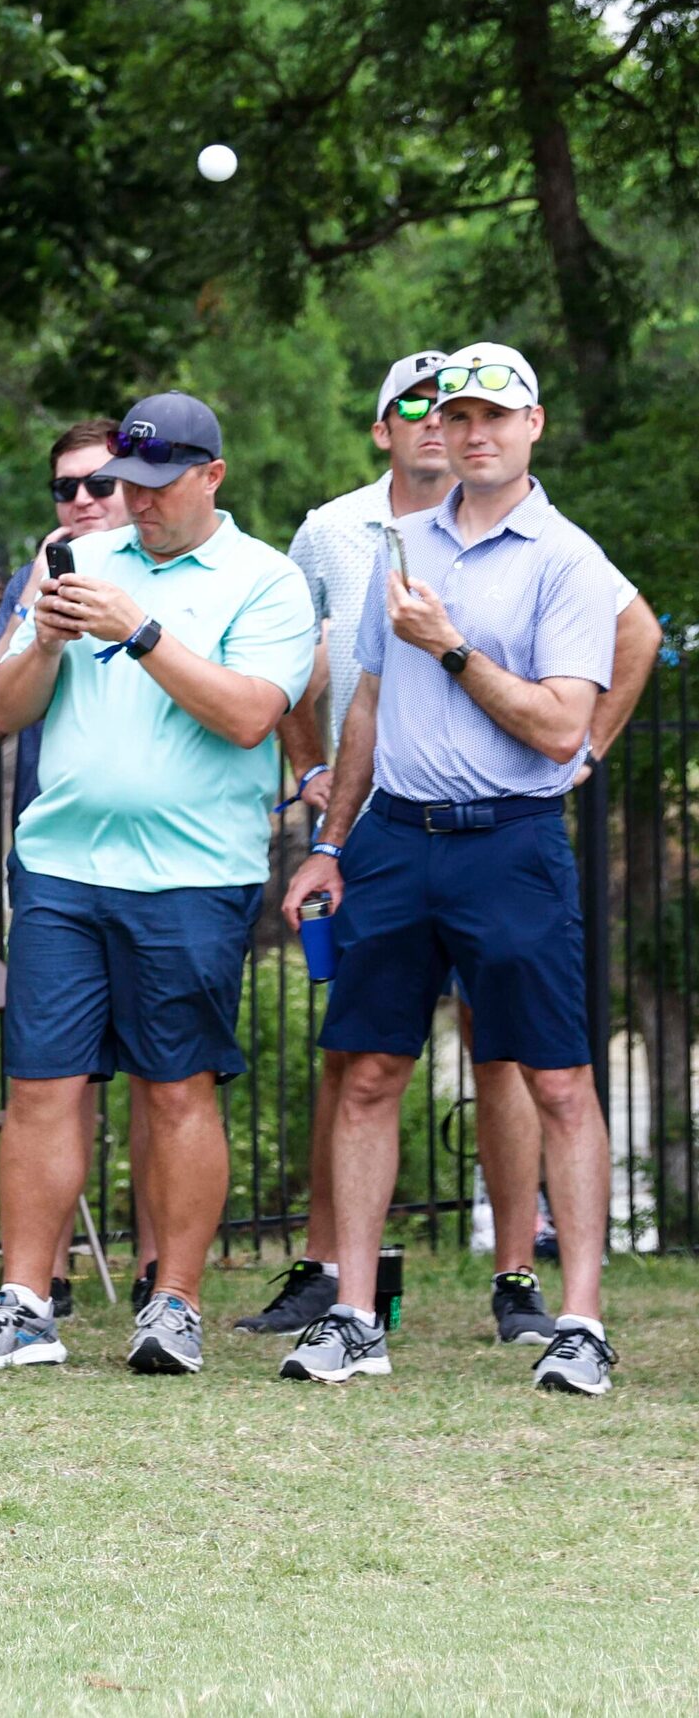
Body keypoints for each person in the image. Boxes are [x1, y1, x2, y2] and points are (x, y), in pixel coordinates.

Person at [245, 349, 660, 1343]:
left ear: (534, 427)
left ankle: (579, 1321)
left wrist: (457, 651)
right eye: (460, 416)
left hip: (509, 845)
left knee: (554, 1077)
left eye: (496, 417)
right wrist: (331, 841)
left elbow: (561, 727)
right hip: (394, 838)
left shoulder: (565, 556)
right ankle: (353, 1314)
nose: (474, 433)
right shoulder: (401, 544)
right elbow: (369, 704)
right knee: (368, 1070)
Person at [0, 391, 314, 1377]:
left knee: (177, 1090)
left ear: (212, 476)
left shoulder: (266, 581)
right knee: (40, 1088)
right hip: (64, 867)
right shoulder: (72, 561)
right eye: (125, 485)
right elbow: (0, 711)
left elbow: (248, 719)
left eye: (158, 486)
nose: (136, 504)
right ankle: (25, 1305)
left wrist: (141, 631)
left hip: (194, 876)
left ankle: (173, 1306)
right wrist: (51, 640)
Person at [0, 417, 153, 1318]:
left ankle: (163, 1280)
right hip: (55, 858)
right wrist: (34, 611)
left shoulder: (190, 572)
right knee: (54, 1076)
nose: (80, 501)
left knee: (169, 1077)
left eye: (98, 484)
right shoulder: (34, 576)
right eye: (64, 488)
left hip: (168, 863)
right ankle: (48, 1276)